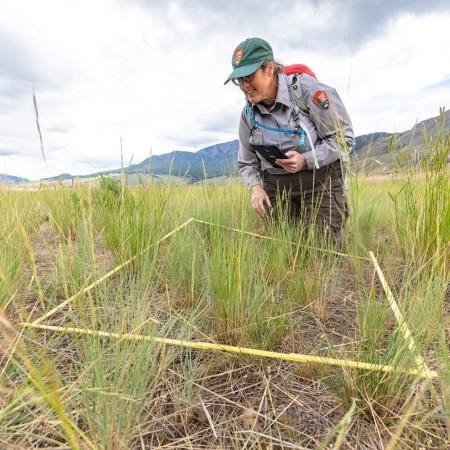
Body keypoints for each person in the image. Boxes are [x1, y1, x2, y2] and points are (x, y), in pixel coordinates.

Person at [224, 37, 354, 247]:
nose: (244, 86)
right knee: (284, 247)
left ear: (269, 69)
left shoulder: (307, 91)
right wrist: (256, 187)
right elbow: (247, 162)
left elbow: (343, 138)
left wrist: (306, 159)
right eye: (238, 80)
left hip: (320, 182)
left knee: (322, 250)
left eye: (248, 76)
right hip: (277, 186)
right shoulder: (248, 114)